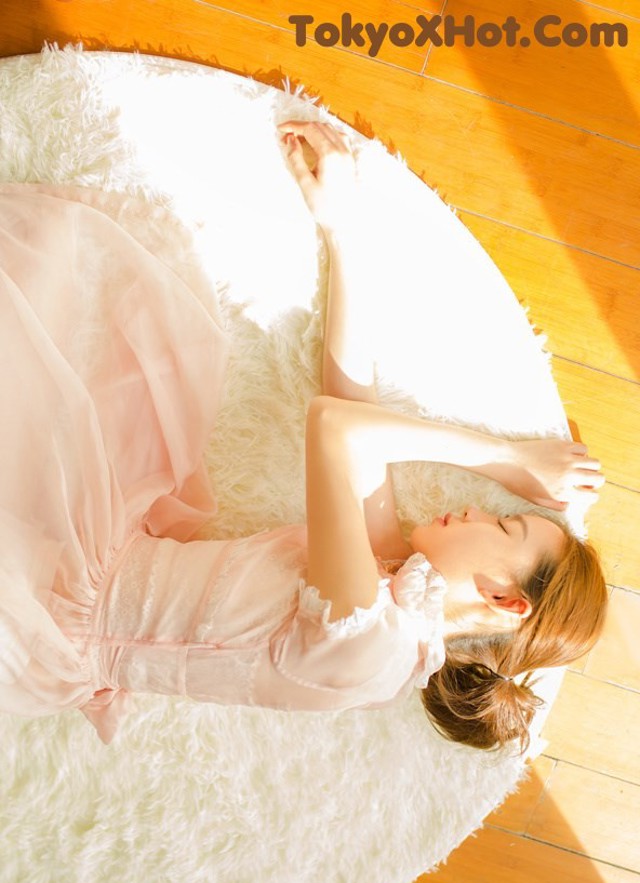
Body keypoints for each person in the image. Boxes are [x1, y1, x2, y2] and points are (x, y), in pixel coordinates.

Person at [0, 121, 607, 751]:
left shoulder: (367, 643)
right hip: (77, 561)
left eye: (505, 527)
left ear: (505, 600)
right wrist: (343, 231)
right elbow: (351, 402)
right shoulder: (391, 591)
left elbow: (335, 429)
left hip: (42, 616)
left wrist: (505, 461)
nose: (479, 511)